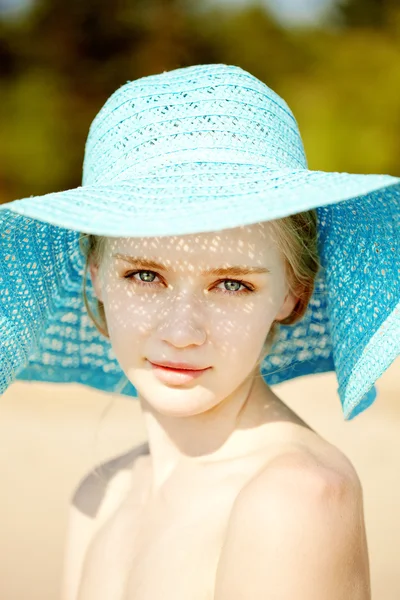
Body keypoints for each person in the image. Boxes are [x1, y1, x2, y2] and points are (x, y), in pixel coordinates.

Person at [0, 63, 399, 600]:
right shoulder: (100, 496)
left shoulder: (293, 500)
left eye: (231, 284)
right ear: (94, 273)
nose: (183, 332)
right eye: (145, 275)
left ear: (293, 292)